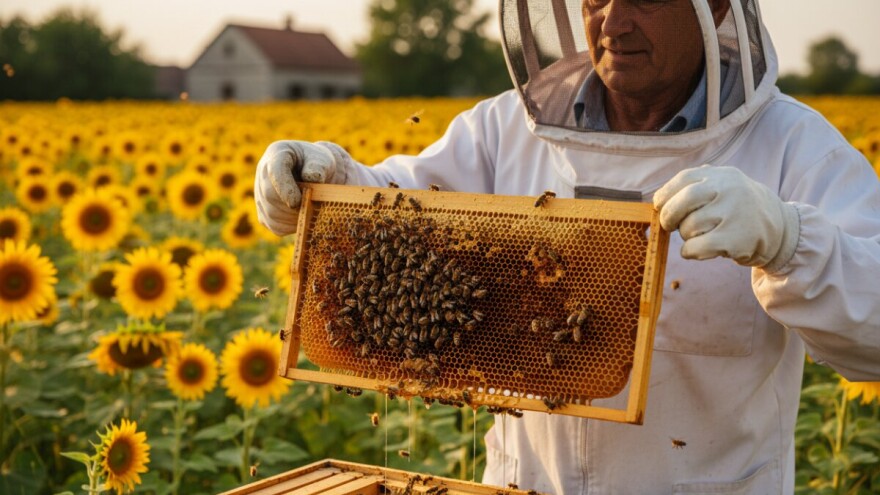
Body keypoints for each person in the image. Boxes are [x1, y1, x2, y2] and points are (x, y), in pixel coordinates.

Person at [255, 0, 880, 492]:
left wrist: (789, 239)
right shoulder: (506, 130)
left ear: (714, 7)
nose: (613, 19)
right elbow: (400, 206)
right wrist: (325, 181)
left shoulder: (795, 147)